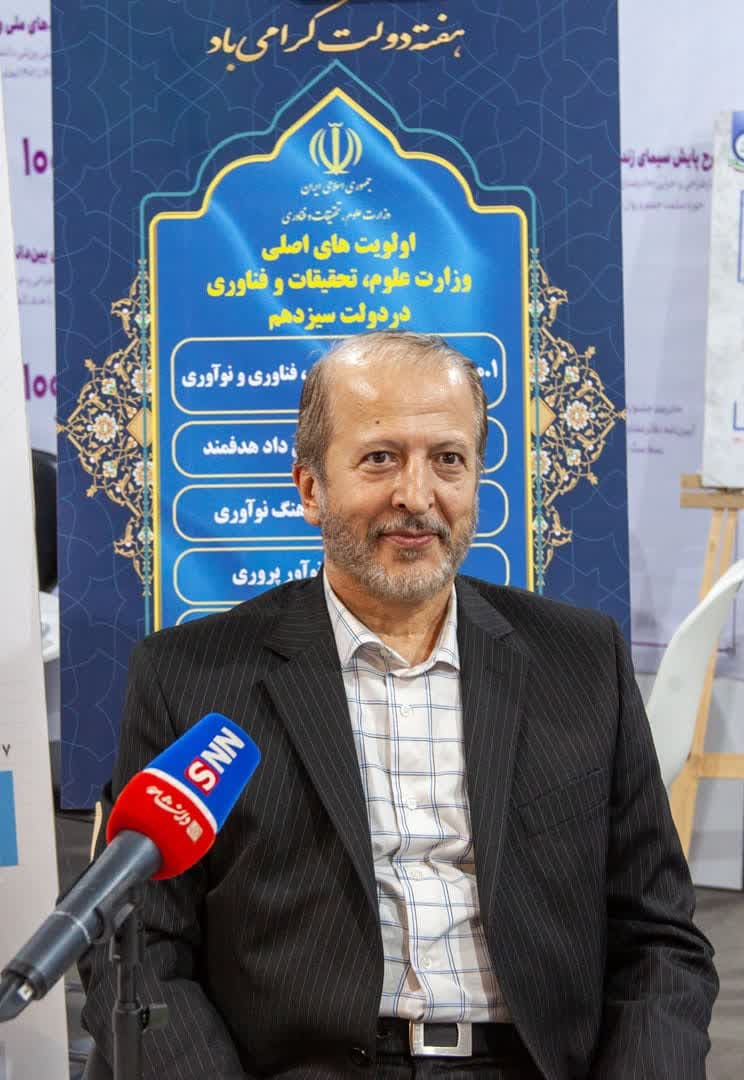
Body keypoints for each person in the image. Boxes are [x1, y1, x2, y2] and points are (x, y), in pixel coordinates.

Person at [80, 331, 718, 1079]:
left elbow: (659, 938)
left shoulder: (579, 661)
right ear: (310, 489)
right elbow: (138, 950)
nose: (417, 496)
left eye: (448, 459)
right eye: (380, 458)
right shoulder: (191, 678)